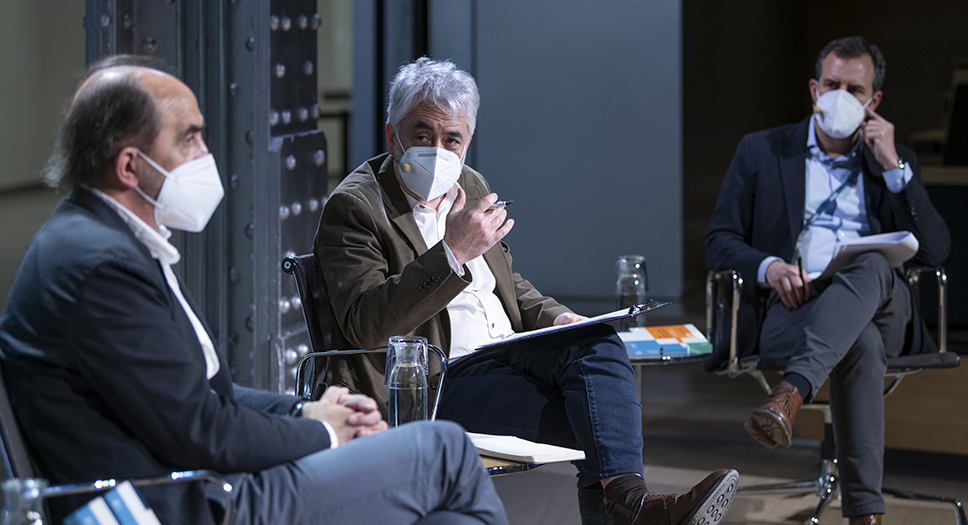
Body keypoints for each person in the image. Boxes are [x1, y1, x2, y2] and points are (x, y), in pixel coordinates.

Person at [0, 54, 509, 525]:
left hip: (196, 481)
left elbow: (194, 395)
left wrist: (302, 410)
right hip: (192, 503)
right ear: (130, 166)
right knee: (444, 451)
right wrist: (323, 432)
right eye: (189, 139)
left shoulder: (99, 241)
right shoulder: (103, 268)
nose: (205, 153)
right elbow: (201, 430)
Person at [314, 57, 738, 525]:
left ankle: (630, 505)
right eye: (421, 134)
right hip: (435, 381)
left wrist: (559, 319)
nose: (437, 150)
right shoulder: (355, 207)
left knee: (598, 343)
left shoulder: (469, 183)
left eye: (451, 139)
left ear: (466, 142)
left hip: (507, 350)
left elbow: (507, 284)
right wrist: (452, 252)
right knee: (597, 419)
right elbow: (366, 324)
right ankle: (635, 507)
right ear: (392, 136)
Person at [705, 36, 951, 525]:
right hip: (794, 307)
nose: (840, 96)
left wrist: (893, 167)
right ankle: (865, 516)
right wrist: (770, 267)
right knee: (858, 340)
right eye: (831, 84)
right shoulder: (762, 150)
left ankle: (790, 393)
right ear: (814, 89)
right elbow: (719, 240)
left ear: (873, 101)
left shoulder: (893, 159)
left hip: (885, 306)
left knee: (873, 262)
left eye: (854, 89)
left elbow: (935, 252)